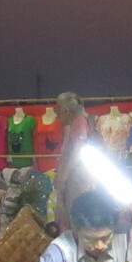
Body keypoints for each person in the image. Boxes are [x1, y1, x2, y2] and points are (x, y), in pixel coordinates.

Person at [53, 92, 96, 231]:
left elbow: (78, 151)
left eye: (58, 111)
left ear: (65, 110)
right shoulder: (80, 122)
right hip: (78, 180)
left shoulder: (79, 122)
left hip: (76, 182)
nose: (57, 116)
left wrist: (63, 178)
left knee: (73, 221)